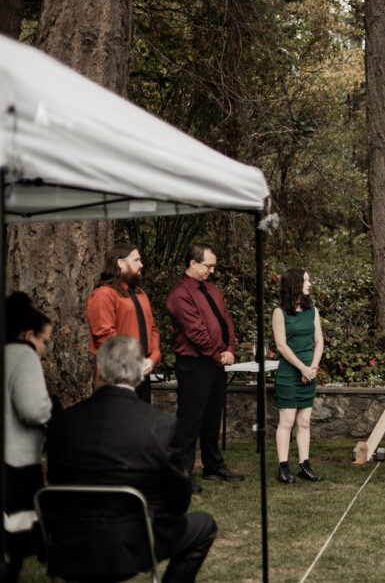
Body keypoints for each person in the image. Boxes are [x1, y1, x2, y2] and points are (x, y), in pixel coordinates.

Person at [47, 335, 218, 583]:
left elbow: (55, 482)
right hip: (132, 546)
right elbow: (178, 503)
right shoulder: (161, 425)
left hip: (69, 546)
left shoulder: (63, 422)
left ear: (100, 369)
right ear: (140, 372)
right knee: (204, 526)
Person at [166, 244, 244, 491]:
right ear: (192, 263)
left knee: (212, 417)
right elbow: (195, 331)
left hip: (216, 362)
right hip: (194, 363)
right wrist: (216, 354)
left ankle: (213, 465)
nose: (211, 270)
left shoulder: (213, 290)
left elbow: (226, 321)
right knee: (190, 419)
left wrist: (230, 348)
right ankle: (182, 472)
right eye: (208, 265)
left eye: (213, 266)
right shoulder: (180, 293)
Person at [3, 292, 53, 579]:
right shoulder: (23, 354)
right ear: (29, 334)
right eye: (44, 341)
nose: (44, 349)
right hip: (18, 462)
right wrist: (51, 408)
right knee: (14, 540)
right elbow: (33, 409)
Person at [86, 242, 161, 402]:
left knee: (140, 423)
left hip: (143, 372)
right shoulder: (103, 294)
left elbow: (153, 329)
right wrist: (132, 363)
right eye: (136, 260)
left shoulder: (141, 294)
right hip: (116, 375)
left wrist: (153, 358)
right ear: (120, 262)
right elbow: (106, 337)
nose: (141, 265)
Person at [272, 267, 325, 484]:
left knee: (304, 421)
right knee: (287, 420)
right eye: (305, 280)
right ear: (294, 283)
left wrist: (312, 368)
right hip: (289, 372)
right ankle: (283, 467)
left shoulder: (312, 310)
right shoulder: (279, 312)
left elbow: (319, 341)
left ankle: (305, 465)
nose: (309, 283)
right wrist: (301, 369)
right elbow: (281, 346)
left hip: (309, 371)